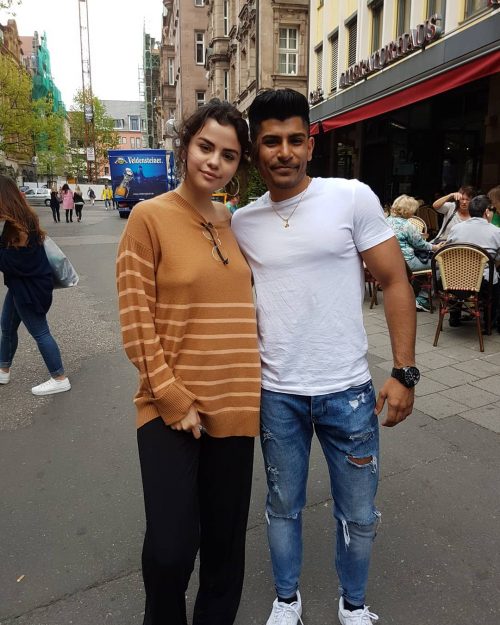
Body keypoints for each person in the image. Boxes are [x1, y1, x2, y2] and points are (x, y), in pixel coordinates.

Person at [231, 89, 418, 625]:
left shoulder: (350, 198)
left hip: (348, 393)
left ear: (311, 145)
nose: (284, 152)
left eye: (295, 139)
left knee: (358, 514)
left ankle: (352, 603)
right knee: (281, 506)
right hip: (278, 394)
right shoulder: (242, 222)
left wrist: (404, 372)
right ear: (255, 148)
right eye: (271, 141)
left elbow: (395, 281)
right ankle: (287, 599)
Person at [116, 100, 261, 625]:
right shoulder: (148, 218)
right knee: (171, 549)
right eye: (205, 147)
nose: (214, 161)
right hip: (169, 405)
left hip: (236, 404)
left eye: (229, 154)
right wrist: (172, 397)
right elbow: (136, 316)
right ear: (185, 146)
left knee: (225, 547)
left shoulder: (235, 224)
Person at [0, 175, 71, 395]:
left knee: (40, 332)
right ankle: (3, 369)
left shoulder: (17, 227)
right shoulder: (21, 219)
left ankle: (59, 378)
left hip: (28, 289)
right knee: (7, 327)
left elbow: (13, 262)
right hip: (22, 286)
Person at [447, 194, 500, 331]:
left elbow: (447, 250)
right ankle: (489, 322)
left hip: (454, 279)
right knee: (495, 281)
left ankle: (454, 317)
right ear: (486, 212)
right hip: (482, 282)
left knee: (457, 270)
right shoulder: (496, 232)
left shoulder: (456, 228)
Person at [386, 194, 442, 312]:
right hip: (406, 263)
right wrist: (435, 247)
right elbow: (420, 244)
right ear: (408, 210)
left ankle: (413, 292)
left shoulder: (386, 221)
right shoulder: (407, 225)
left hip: (389, 261)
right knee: (438, 265)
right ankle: (422, 298)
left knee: (424, 264)